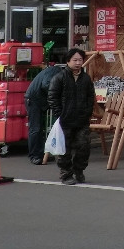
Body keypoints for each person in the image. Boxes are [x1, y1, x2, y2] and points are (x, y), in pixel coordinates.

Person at [47, 48, 94, 185]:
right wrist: (59, 113)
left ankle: (79, 170)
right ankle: (66, 174)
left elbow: (90, 96)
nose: (78, 63)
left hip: (82, 119)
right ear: (68, 61)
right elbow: (52, 97)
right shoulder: (59, 77)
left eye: (80, 60)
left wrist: (88, 111)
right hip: (65, 119)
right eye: (75, 60)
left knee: (83, 146)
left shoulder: (86, 78)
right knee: (63, 148)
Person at [24, 57, 64, 165]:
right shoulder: (55, 72)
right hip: (33, 100)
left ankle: (40, 154)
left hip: (38, 100)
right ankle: (34, 156)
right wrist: (56, 96)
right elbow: (46, 84)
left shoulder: (55, 72)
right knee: (35, 128)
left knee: (40, 129)